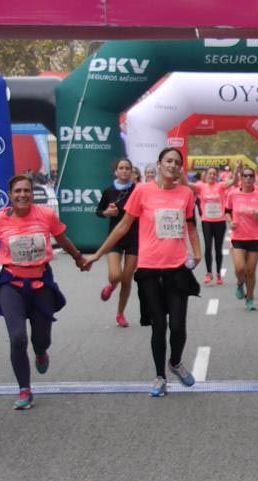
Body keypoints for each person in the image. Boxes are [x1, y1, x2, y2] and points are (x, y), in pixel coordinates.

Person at [0, 175, 88, 410]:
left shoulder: (46, 216)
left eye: (27, 191)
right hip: (11, 284)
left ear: (32, 194)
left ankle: (41, 352)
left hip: (41, 283)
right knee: (18, 338)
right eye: (18, 191)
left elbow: (62, 238)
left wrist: (79, 258)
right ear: (10, 195)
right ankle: (24, 389)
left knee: (41, 339)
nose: (23, 195)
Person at [86, 147, 202, 398]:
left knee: (179, 326)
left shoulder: (185, 194)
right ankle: (160, 376)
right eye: (168, 161)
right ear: (159, 164)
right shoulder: (141, 191)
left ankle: (176, 363)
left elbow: (191, 226)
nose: (172, 165)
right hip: (149, 269)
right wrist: (98, 253)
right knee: (159, 325)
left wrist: (197, 251)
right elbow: (122, 227)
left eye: (177, 162)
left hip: (177, 268)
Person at [95, 157, 138, 327]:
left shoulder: (137, 190)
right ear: (116, 171)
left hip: (134, 238)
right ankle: (112, 286)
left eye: (128, 167)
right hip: (115, 237)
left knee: (126, 279)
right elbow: (98, 211)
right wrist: (107, 213)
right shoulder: (109, 191)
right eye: (121, 168)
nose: (125, 170)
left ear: (132, 171)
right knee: (115, 275)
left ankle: (120, 314)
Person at [226, 168, 258, 310]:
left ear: (254, 178)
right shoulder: (233, 194)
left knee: (251, 271)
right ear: (241, 178)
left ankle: (250, 299)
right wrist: (230, 222)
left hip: (254, 237)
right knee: (240, 268)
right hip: (238, 236)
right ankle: (239, 284)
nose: (248, 178)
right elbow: (227, 211)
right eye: (245, 176)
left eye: (251, 176)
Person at [195, 167, 229, 286]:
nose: (212, 176)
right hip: (207, 221)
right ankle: (209, 272)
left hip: (220, 221)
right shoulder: (201, 186)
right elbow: (186, 184)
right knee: (208, 246)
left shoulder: (220, 186)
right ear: (206, 175)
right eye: (210, 174)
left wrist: (238, 171)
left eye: (214, 174)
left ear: (217, 176)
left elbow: (233, 182)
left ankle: (218, 273)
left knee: (218, 248)